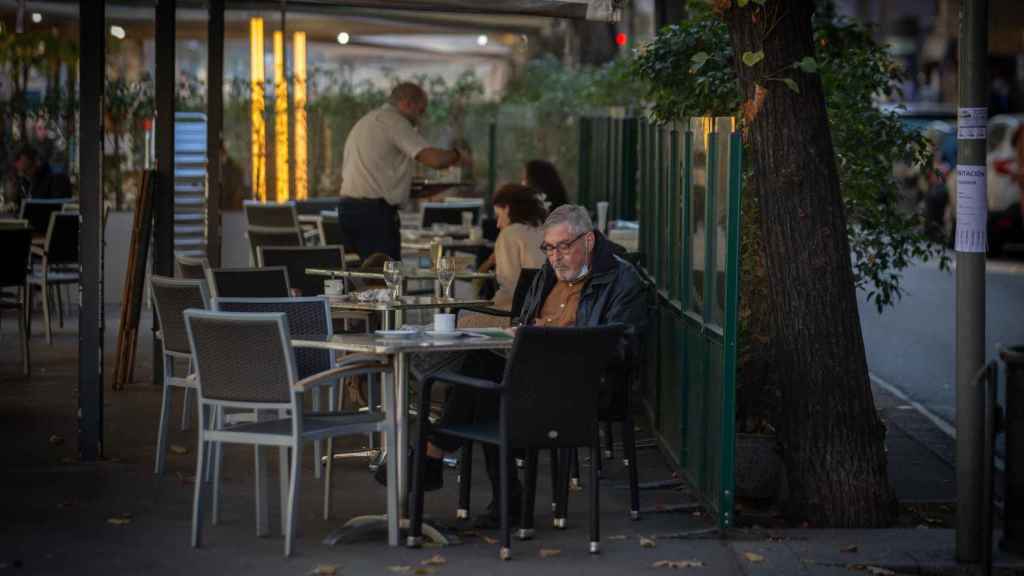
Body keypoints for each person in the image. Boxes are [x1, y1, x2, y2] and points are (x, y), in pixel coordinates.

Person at [397, 204, 649, 528]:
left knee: (486, 385)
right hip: (530, 370)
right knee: (483, 368)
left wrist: (547, 336)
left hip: (582, 383)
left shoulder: (622, 279)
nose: (555, 256)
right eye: (549, 247)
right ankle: (494, 494)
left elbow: (620, 348)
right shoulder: (549, 271)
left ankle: (436, 454)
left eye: (563, 247)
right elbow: (527, 319)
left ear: (588, 241)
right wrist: (520, 332)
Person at [338, 82, 469, 260]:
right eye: (420, 111)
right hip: (374, 215)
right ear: (407, 104)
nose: (420, 119)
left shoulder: (368, 120)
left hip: (349, 210)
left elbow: (377, 174)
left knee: (360, 279)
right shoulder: (395, 122)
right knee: (385, 280)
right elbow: (435, 160)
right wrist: (458, 155)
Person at [473, 184, 547, 312]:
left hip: (516, 314)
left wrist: (486, 307)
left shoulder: (509, 234)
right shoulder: (545, 230)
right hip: (544, 310)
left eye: (499, 215)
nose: (498, 224)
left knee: (459, 316)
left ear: (507, 208)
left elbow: (510, 287)